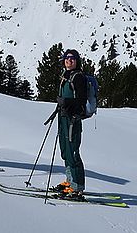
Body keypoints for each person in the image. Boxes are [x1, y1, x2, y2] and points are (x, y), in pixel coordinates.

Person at [51, 49, 87, 199]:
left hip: (73, 119)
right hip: (63, 117)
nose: (69, 60)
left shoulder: (79, 77)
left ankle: (77, 187)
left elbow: (81, 100)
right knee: (65, 150)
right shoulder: (66, 76)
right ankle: (69, 181)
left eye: (72, 58)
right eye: (67, 58)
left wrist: (67, 102)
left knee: (73, 151)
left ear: (77, 61)